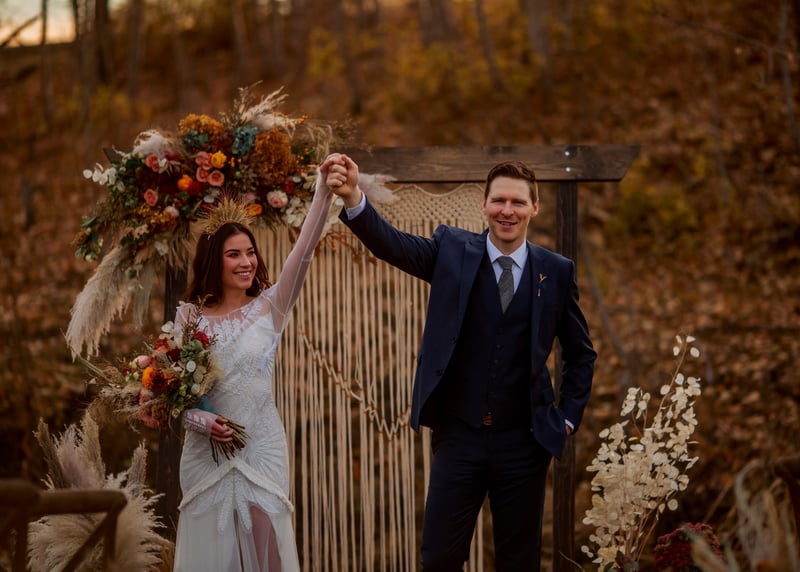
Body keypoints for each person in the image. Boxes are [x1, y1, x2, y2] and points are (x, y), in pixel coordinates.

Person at [325, 155, 596, 571]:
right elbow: (392, 244)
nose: (508, 210)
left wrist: (567, 418)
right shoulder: (451, 250)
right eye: (499, 200)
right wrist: (353, 197)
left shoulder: (556, 272)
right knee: (439, 558)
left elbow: (580, 353)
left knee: (519, 562)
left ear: (534, 208)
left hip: (524, 442)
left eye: (518, 202)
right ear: (484, 205)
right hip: (458, 438)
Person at [171, 155, 339, 571]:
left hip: (260, 448)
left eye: (250, 253)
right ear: (214, 261)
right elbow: (174, 400)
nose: (246, 262)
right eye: (234, 254)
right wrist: (203, 421)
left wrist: (323, 191)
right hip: (204, 454)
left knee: (267, 550)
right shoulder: (188, 318)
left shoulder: (271, 306)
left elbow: (304, 251)